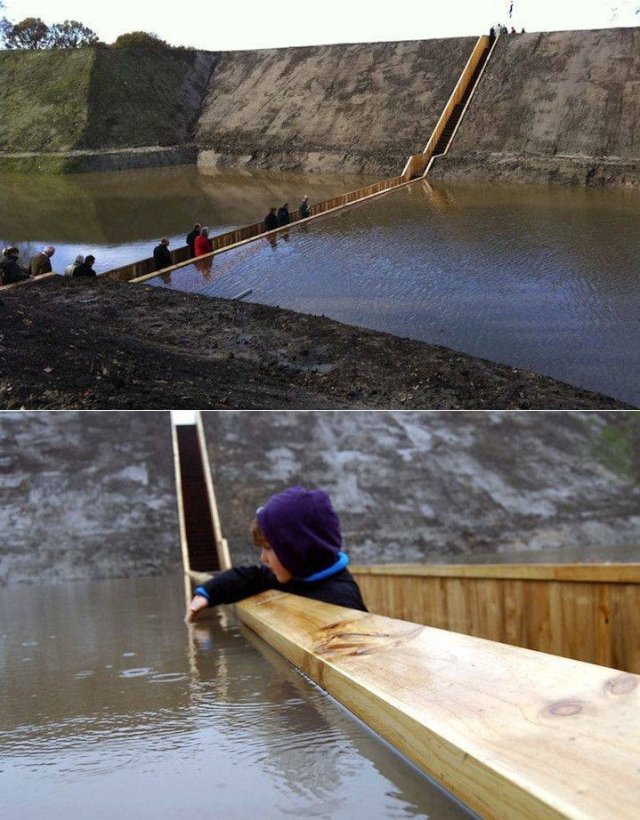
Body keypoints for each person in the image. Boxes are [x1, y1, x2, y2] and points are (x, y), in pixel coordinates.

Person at [185, 486, 367, 622]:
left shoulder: (342, 601)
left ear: (298, 549)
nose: (263, 558)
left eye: (269, 548)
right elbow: (250, 577)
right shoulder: (296, 576)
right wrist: (207, 593)